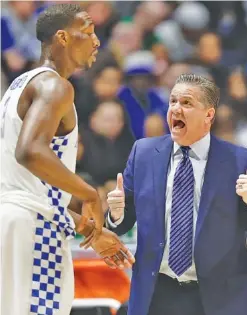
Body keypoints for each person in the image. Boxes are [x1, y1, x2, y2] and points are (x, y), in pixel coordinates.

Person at [105, 73, 247, 315]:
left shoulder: (240, 161)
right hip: (157, 293)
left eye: (186, 103)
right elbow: (121, 225)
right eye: (173, 101)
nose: (176, 108)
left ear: (209, 114)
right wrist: (115, 213)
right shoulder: (143, 153)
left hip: (220, 298)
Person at [0, 4, 134, 315]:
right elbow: (30, 151)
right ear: (62, 37)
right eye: (88, 32)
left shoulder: (18, 87)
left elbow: (27, 189)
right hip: (32, 228)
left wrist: (91, 231)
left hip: (16, 218)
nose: (97, 40)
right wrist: (89, 194)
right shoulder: (54, 85)